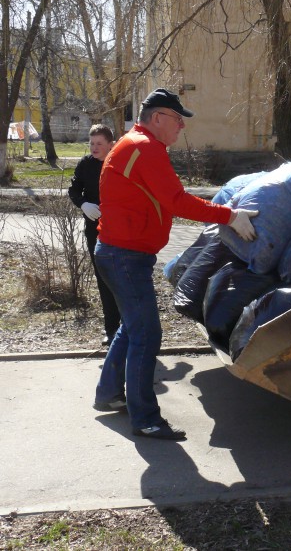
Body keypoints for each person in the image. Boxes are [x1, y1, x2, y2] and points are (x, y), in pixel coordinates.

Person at [92, 88, 258, 441]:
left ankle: (108, 394)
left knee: (131, 328)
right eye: (177, 118)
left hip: (118, 253)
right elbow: (177, 201)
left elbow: (165, 200)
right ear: (157, 118)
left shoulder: (134, 144)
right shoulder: (145, 147)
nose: (181, 125)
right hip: (124, 256)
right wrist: (229, 216)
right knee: (146, 333)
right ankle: (146, 419)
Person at [68, 125, 122, 346]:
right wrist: (83, 204)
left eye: (100, 143)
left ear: (111, 144)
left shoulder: (120, 163)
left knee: (123, 279)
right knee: (104, 279)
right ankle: (111, 330)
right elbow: (74, 190)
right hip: (95, 230)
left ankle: (128, 328)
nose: (95, 147)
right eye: (91, 143)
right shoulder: (85, 164)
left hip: (121, 230)